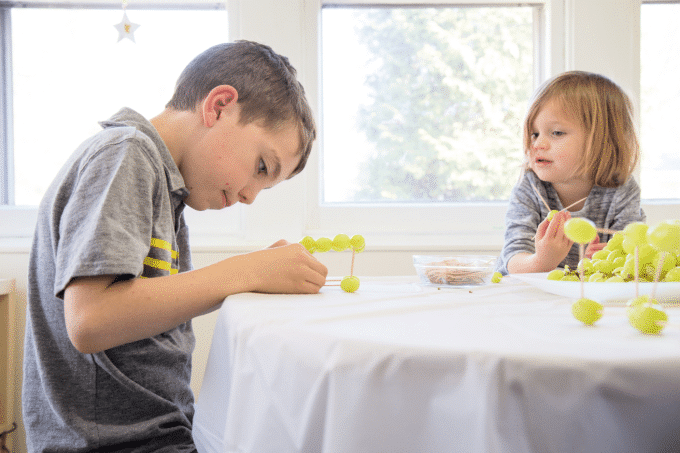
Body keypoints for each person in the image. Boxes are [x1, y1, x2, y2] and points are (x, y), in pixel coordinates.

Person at [22, 40, 328, 452]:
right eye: (260, 167)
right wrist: (246, 271)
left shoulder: (166, 189)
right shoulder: (127, 154)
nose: (251, 195)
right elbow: (90, 320)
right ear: (219, 106)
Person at [497, 71, 645, 275]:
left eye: (556, 133)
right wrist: (541, 261)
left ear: (603, 141)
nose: (538, 144)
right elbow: (513, 260)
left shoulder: (622, 191)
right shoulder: (530, 186)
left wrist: (611, 259)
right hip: (527, 295)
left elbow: (632, 257)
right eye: (534, 133)